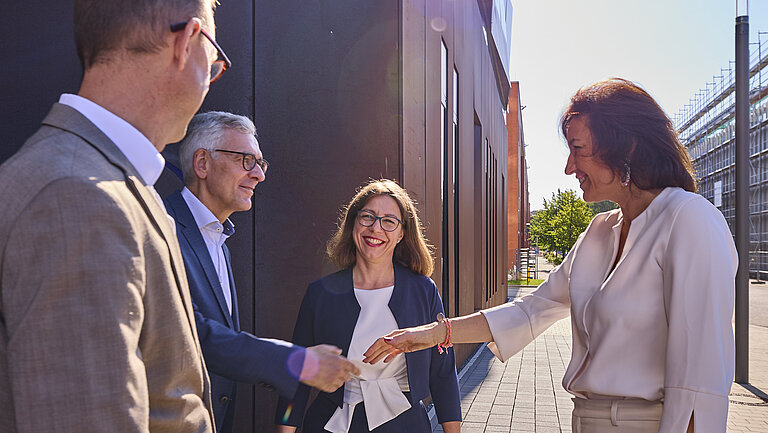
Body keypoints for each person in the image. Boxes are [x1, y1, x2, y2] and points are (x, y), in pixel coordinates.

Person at [364, 79, 738, 433]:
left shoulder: (690, 220)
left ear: (627, 148)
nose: (569, 167)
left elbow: (700, 382)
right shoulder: (599, 231)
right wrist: (433, 333)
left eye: (578, 149)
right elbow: (530, 310)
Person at [0, 1, 226, 431]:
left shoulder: (95, 181)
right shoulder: (79, 195)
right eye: (214, 62)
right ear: (186, 42)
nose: (210, 80)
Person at [164, 111, 360, 433]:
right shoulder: (164, 227)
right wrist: (298, 362)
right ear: (202, 163)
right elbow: (191, 334)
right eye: (245, 160)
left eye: (260, 163)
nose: (259, 175)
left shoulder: (219, 239)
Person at [275, 179, 461, 433]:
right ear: (353, 224)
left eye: (389, 221)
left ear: (401, 234)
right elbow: (298, 373)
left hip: (405, 423)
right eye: (367, 217)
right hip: (331, 424)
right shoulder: (319, 293)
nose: (376, 228)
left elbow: (443, 373)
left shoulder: (423, 290)